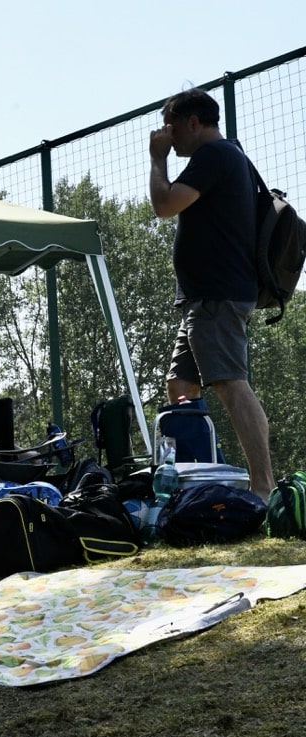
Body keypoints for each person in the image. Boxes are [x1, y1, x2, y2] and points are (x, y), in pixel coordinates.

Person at [148, 87, 273, 500]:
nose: (168, 134)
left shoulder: (214, 156)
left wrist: (157, 158)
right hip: (201, 299)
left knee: (232, 385)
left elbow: (164, 204)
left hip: (217, 296)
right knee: (181, 387)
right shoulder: (224, 156)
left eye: (171, 126)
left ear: (193, 123)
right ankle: (200, 483)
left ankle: (263, 486)